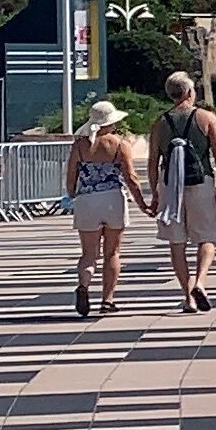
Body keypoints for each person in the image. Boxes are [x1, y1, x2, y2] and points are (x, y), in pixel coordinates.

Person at [149, 72, 216, 314]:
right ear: (189, 92)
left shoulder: (161, 121)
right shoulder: (206, 118)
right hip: (201, 183)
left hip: (170, 187)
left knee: (177, 244)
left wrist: (155, 192)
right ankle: (200, 282)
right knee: (206, 238)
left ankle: (188, 297)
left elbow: (153, 160)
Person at [63, 101, 152, 319]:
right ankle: (107, 300)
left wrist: (74, 193)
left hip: (87, 201)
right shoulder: (120, 144)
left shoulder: (80, 145)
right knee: (112, 253)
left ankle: (84, 285)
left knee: (88, 254)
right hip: (113, 199)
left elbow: (71, 176)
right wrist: (142, 203)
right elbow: (131, 178)